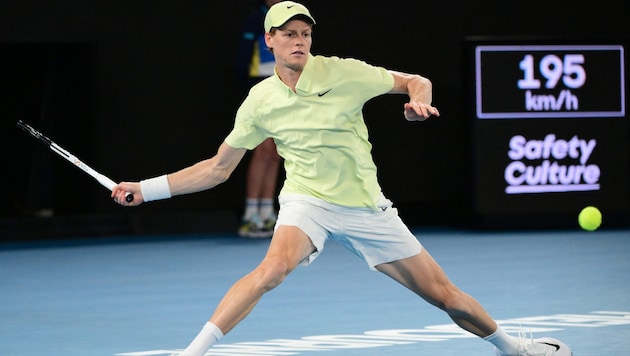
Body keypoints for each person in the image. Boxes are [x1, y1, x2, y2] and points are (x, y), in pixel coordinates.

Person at [112, 2, 571, 355]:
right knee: (271, 270)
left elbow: (415, 79)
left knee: (446, 298)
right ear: (269, 40)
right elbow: (217, 168)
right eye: (289, 34)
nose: (299, 41)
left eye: (305, 34)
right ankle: (192, 352)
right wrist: (146, 189)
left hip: (367, 206)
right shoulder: (260, 100)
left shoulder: (344, 73)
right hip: (307, 201)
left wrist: (417, 103)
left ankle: (513, 347)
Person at [235, 0, 284, 238]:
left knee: (275, 153)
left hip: (283, 87)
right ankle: (250, 216)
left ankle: (267, 214)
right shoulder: (257, 19)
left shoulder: (289, 18)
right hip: (261, 87)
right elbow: (244, 59)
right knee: (262, 150)